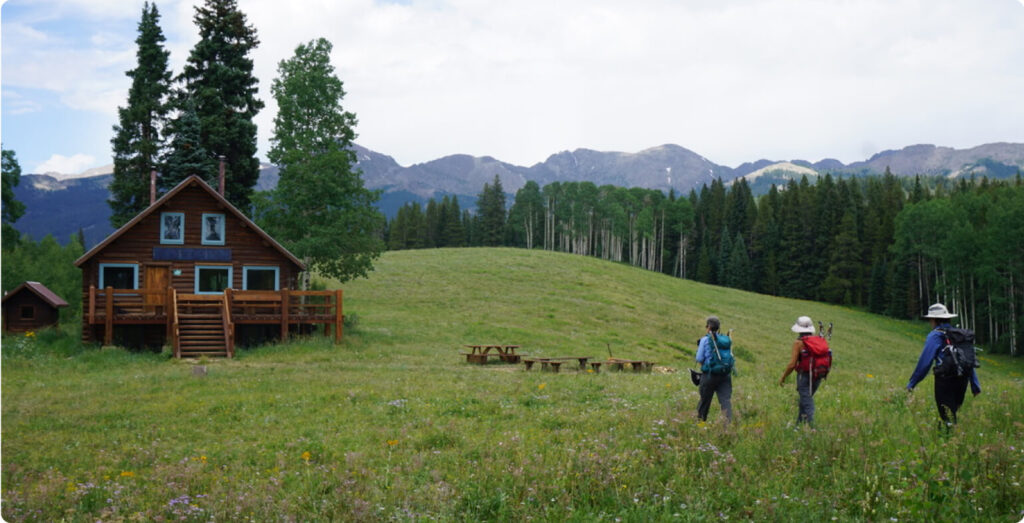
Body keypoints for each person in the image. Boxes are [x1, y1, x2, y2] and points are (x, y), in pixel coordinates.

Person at [906, 303, 981, 429]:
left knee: (947, 417)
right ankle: (947, 438)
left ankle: (949, 441)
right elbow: (969, 361)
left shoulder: (935, 335)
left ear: (934, 320)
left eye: (930, 320)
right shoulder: (958, 335)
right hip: (962, 380)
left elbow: (925, 362)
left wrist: (912, 383)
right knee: (951, 414)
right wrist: (975, 385)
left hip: (944, 380)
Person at [778, 316, 821, 426]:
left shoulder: (798, 343)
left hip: (804, 376)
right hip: (818, 375)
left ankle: (811, 427)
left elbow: (792, 364)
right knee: (804, 400)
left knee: (807, 402)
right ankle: (798, 425)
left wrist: (783, 377)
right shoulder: (818, 341)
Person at [695, 316, 732, 422]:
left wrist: (705, 365)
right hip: (725, 375)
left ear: (708, 327)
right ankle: (728, 426)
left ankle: (700, 425)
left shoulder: (705, 339)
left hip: (709, 375)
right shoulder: (725, 340)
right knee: (725, 401)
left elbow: (699, 358)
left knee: (705, 401)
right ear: (718, 328)